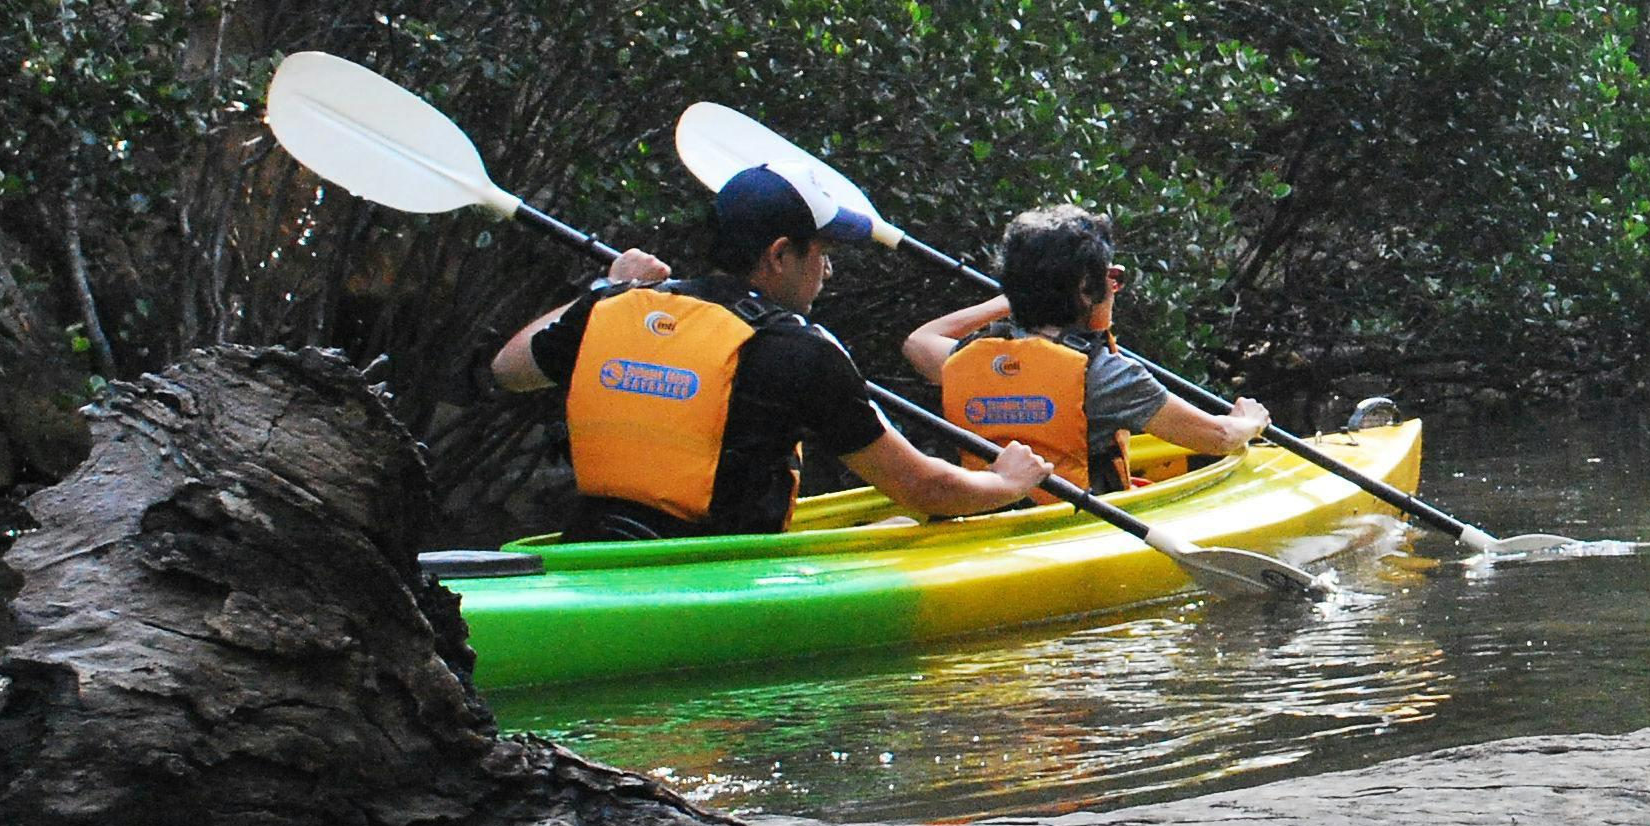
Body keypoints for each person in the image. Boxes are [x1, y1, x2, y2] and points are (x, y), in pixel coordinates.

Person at [491, 164, 1048, 540]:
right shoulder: (799, 350)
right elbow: (925, 489)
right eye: (823, 253)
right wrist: (1007, 481)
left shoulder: (610, 310)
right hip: (713, 576)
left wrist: (604, 289)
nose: (828, 271)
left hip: (590, 549)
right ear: (780, 255)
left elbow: (507, 369)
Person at [902, 203, 1268, 495]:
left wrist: (1013, 296)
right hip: (1071, 527)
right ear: (1086, 288)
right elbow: (1216, 438)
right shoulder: (1105, 376)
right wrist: (1248, 422)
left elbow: (919, 342)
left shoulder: (970, 358)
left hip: (987, 514)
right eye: (1112, 278)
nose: (1114, 288)